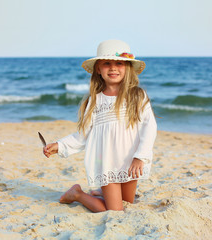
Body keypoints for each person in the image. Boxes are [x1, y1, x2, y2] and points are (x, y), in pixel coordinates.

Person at [43, 39, 157, 212]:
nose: (113, 68)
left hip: (130, 161)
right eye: (107, 63)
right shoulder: (95, 100)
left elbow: (149, 128)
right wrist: (59, 146)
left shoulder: (137, 96)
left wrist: (140, 157)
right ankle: (77, 194)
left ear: (127, 68)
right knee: (114, 211)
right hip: (107, 163)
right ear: (98, 68)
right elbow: (83, 135)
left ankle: (101, 193)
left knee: (128, 203)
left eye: (119, 63)